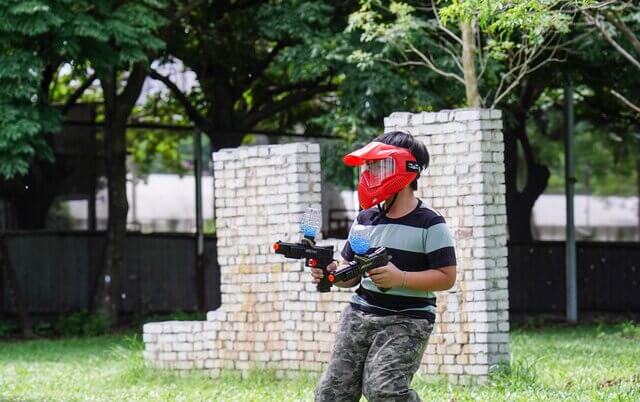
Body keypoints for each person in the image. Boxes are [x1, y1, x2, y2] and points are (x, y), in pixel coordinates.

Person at [312, 131, 457, 402]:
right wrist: (333, 272)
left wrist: (400, 278)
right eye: (370, 166)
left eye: (381, 165)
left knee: (384, 390)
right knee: (331, 393)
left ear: (406, 169)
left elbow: (446, 277)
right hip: (359, 314)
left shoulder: (430, 223)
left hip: (407, 319)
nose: (371, 173)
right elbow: (351, 274)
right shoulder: (365, 219)